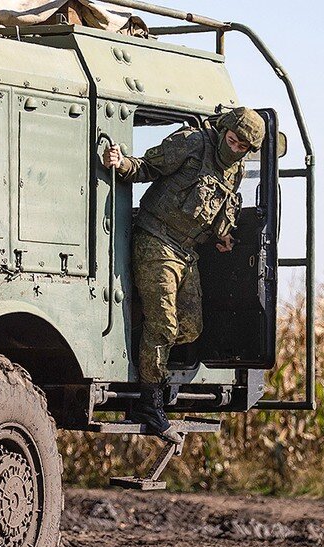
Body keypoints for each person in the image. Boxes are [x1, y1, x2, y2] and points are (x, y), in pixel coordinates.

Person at [102, 107, 266, 443]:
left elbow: (220, 205)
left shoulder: (234, 169)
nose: (233, 148)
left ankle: (143, 348)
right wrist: (120, 163)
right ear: (224, 130)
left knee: (190, 327)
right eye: (232, 140)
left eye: (241, 148)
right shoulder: (191, 143)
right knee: (164, 326)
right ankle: (150, 401)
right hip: (156, 240)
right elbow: (146, 167)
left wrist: (223, 234)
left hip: (187, 250)